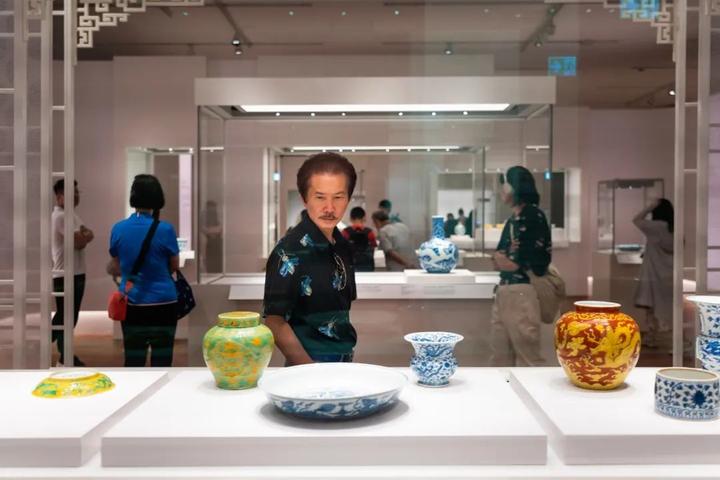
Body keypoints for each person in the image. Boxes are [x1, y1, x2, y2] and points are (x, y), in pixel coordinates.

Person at [263, 152, 358, 365]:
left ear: (348, 199)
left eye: (338, 197)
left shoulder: (342, 244)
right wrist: (310, 370)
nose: (329, 208)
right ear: (304, 199)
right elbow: (275, 322)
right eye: (320, 197)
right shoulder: (289, 251)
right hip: (308, 365)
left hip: (344, 359)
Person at [108, 174, 180, 367]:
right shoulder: (166, 229)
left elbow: (116, 265)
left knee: (134, 359)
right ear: (158, 199)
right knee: (162, 360)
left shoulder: (118, 229)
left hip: (132, 301)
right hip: (164, 303)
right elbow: (174, 265)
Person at [489, 166, 551, 367]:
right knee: (500, 356)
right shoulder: (512, 220)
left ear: (515, 187)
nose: (501, 190)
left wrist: (506, 259)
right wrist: (505, 258)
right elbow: (497, 260)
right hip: (505, 290)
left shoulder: (532, 216)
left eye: (505, 185)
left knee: (527, 356)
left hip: (522, 292)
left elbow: (513, 263)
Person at [51, 179, 93, 367]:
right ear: (60, 197)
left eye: (77, 192)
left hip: (75, 273)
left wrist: (84, 234)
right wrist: (84, 235)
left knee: (69, 317)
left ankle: (64, 356)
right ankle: (47, 347)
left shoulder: (71, 215)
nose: (76, 196)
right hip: (66, 274)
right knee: (65, 317)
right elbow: (80, 241)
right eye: (72, 192)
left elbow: (88, 234)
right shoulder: (61, 217)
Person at [633, 198, 674, 348]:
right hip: (670, 272)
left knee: (650, 305)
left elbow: (637, 220)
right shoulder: (674, 227)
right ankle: (672, 339)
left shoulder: (656, 226)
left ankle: (652, 336)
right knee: (667, 306)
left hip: (653, 273)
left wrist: (650, 206)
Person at [342, 206, 377, 272]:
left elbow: (342, 248)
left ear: (350, 218)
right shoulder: (369, 232)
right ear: (364, 218)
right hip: (366, 265)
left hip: (350, 265)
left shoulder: (346, 232)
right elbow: (373, 247)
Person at [201, 200, 223, 273]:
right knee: (210, 264)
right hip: (209, 243)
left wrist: (209, 230)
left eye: (213, 209)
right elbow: (203, 229)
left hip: (217, 242)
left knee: (218, 264)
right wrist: (214, 230)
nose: (212, 211)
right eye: (210, 209)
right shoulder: (203, 217)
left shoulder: (218, 216)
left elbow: (220, 228)